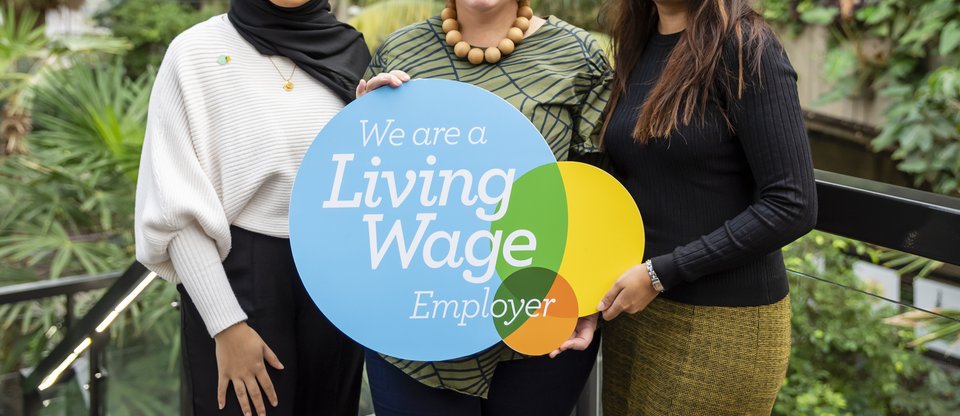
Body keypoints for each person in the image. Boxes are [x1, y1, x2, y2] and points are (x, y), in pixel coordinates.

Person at [357, 0, 611, 414]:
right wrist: (363, 124)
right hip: (415, 326)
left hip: (536, 322)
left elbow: (600, 189)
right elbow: (363, 187)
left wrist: (589, 298)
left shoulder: (579, 56)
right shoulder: (400, 51)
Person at [134, 1, 370, 415]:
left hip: (340, 278)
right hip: (240, 275)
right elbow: (174, 202)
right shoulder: (195, 52)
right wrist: (225, 323)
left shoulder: (353, 53)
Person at [596, 0, 817, 414]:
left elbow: (793, 203)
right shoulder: (639, 42)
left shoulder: (747, 48)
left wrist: (662, 273)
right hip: (635, 308)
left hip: (721, 322)